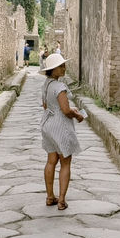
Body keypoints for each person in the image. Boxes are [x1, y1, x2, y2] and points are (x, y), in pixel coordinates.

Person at [39, 53, 84, 210]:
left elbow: (46, 107)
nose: (64, 68)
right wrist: (77, 115)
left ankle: (50, 196)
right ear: (53, 70)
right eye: (61, 66)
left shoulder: (47, 85)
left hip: (48, 125)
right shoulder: (60, 87)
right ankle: (62, 200)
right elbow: (65, 110)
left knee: (51, 161)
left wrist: (64, 109)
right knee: (65, 163)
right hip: (60, 126)